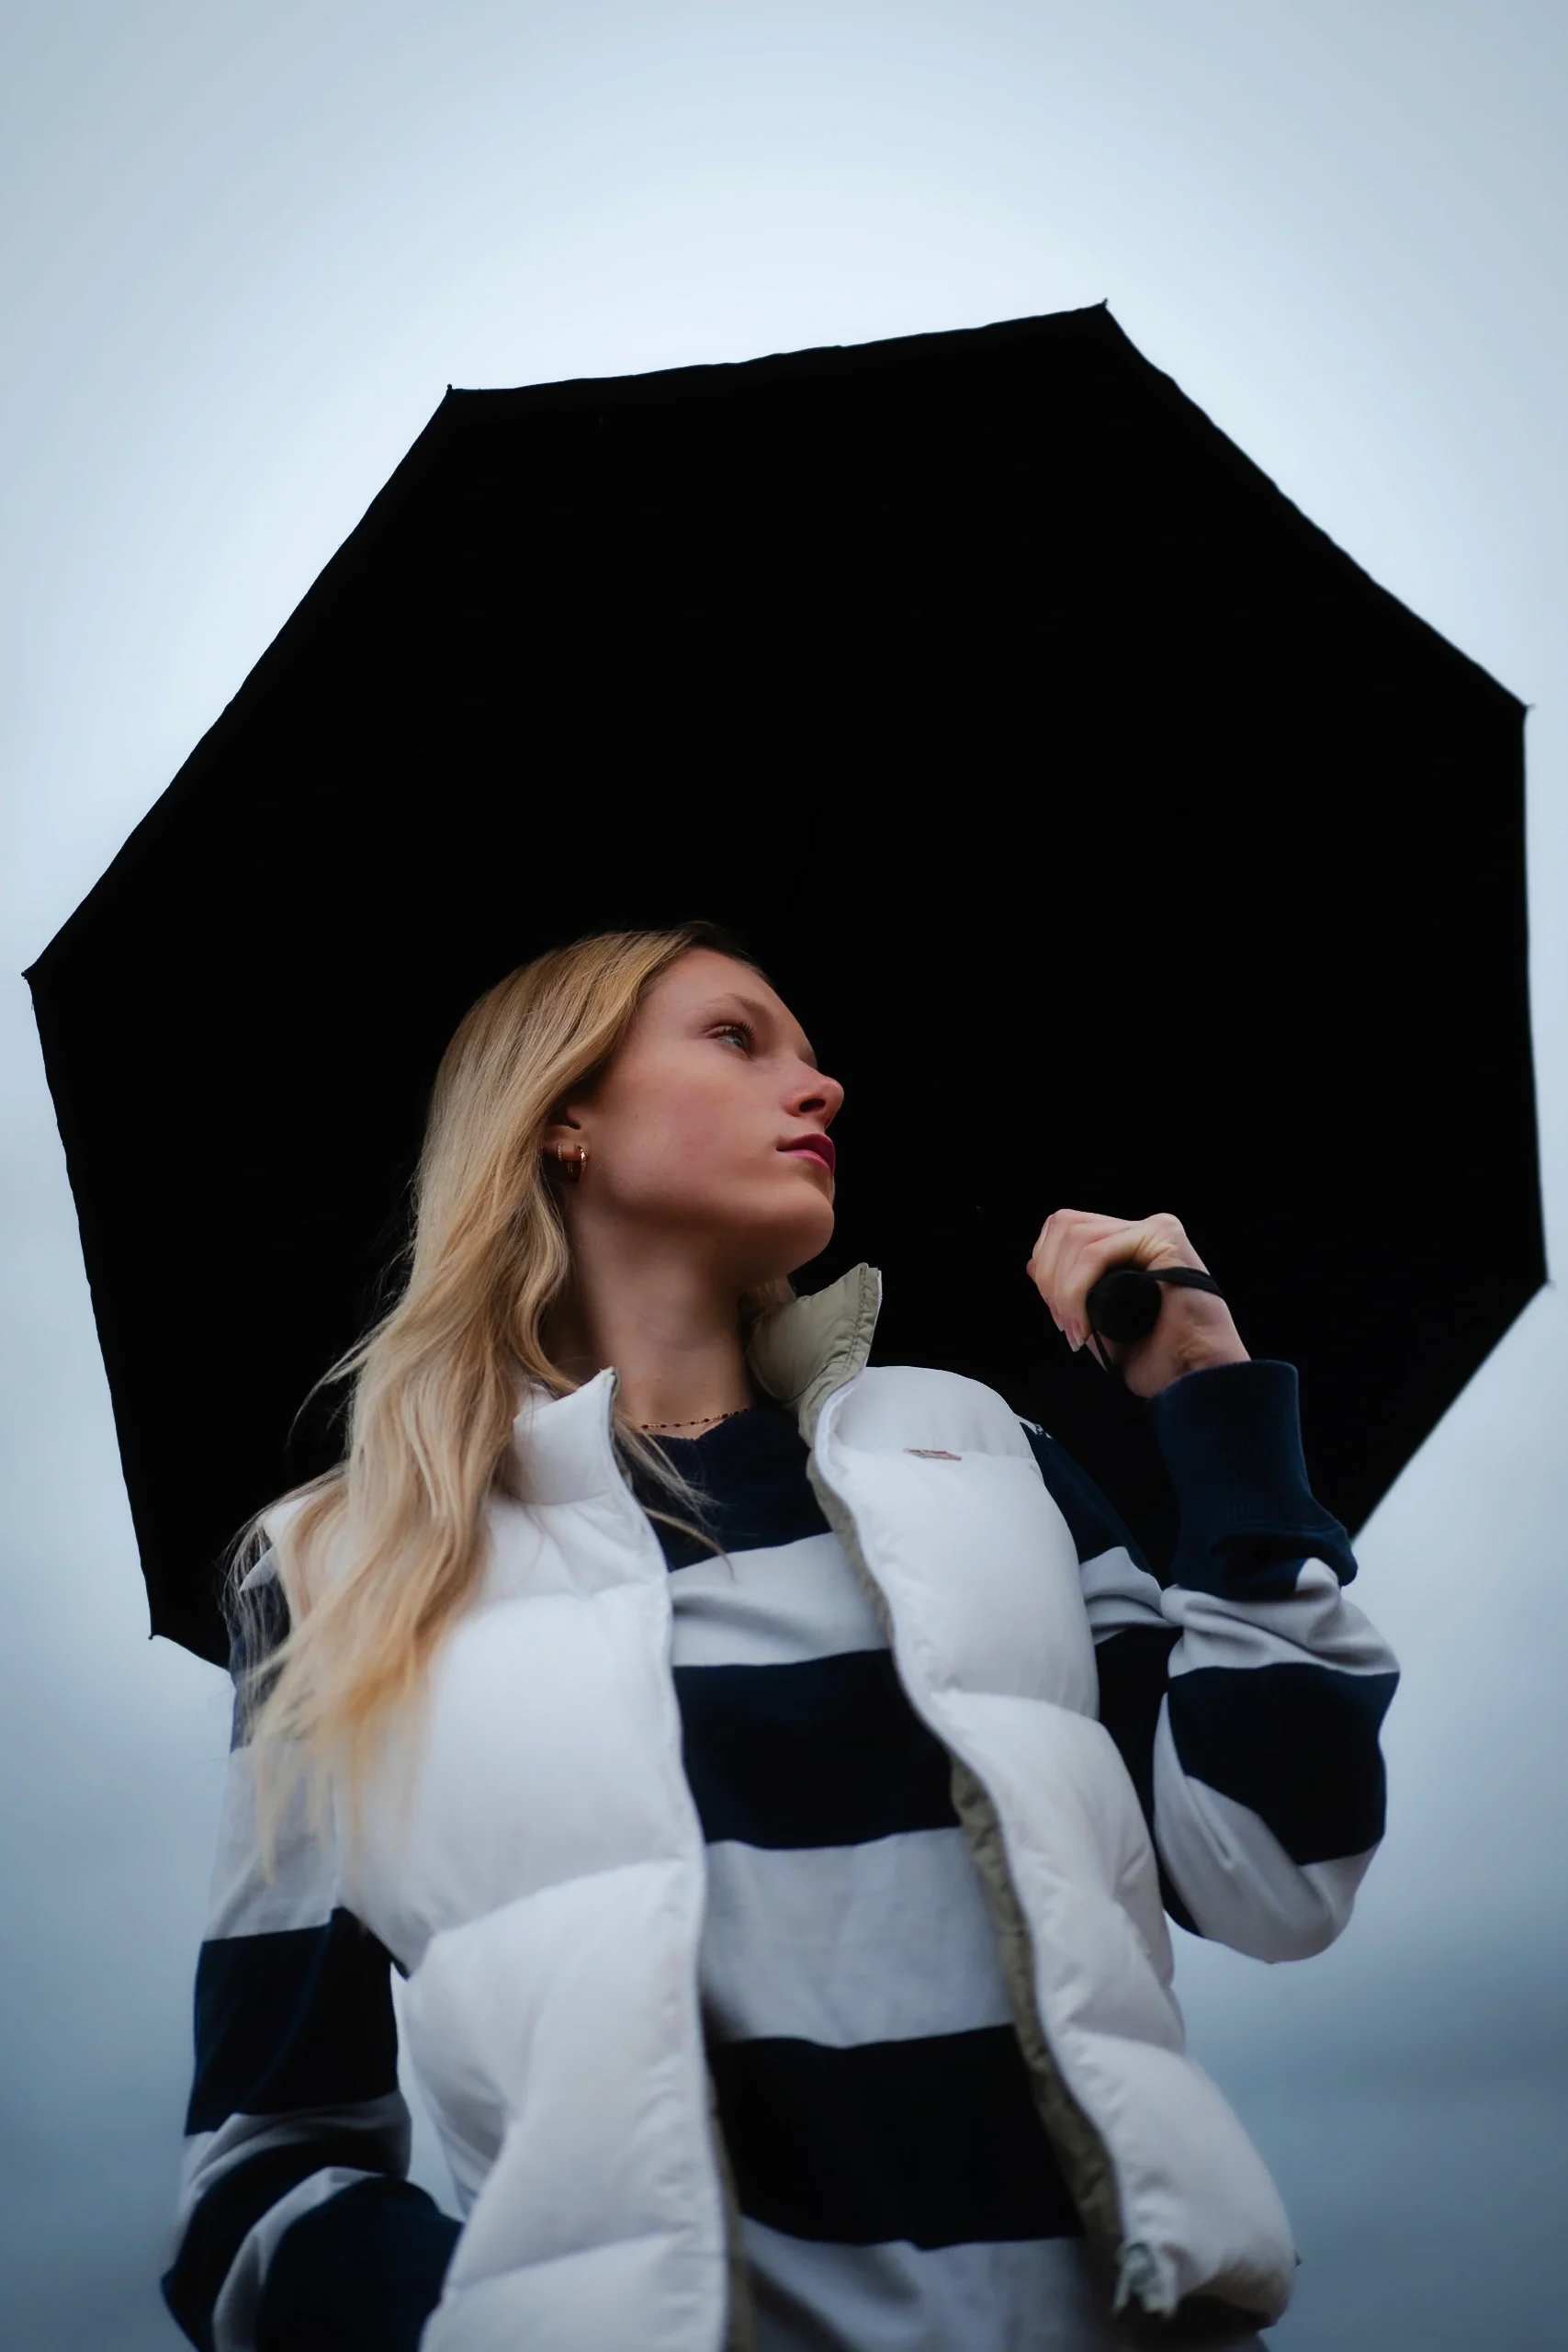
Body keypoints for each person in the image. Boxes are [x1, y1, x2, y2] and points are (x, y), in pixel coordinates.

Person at [162, 922, 1398, 2352]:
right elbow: (259, 2177)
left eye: (812, 1056)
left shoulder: (985, 1456)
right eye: (737, 1038)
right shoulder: (334, 1571)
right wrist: (515, 2321)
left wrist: (1212, 1398)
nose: (818, 1089)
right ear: (564, 1114)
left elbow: (1272, 1867)